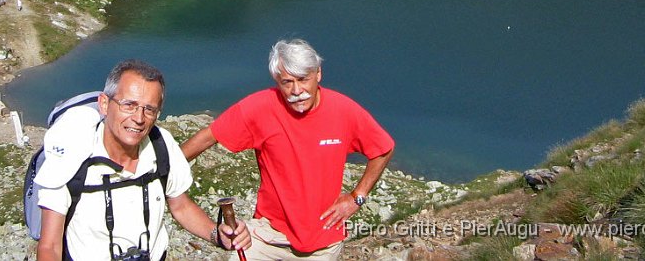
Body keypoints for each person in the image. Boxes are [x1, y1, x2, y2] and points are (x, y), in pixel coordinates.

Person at [181, 39, 395, 260]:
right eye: (287, 82)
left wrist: (356, 197)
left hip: (323, 242)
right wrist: (164, 170)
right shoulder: (260, 107)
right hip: (267, 235)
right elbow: (209, 136)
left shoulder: (344, 110)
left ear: (318, 74)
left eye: (303, 80)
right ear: (277, 80)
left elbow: (383, 148)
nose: (297, 91)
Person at [36, 59, 251, 261]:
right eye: (128, 105)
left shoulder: (161, 145)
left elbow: (181, 206)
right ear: (104, 103)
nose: (139, 119)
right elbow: (50, 246)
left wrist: (217, 235)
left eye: (149, 109)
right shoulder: (73, 153)